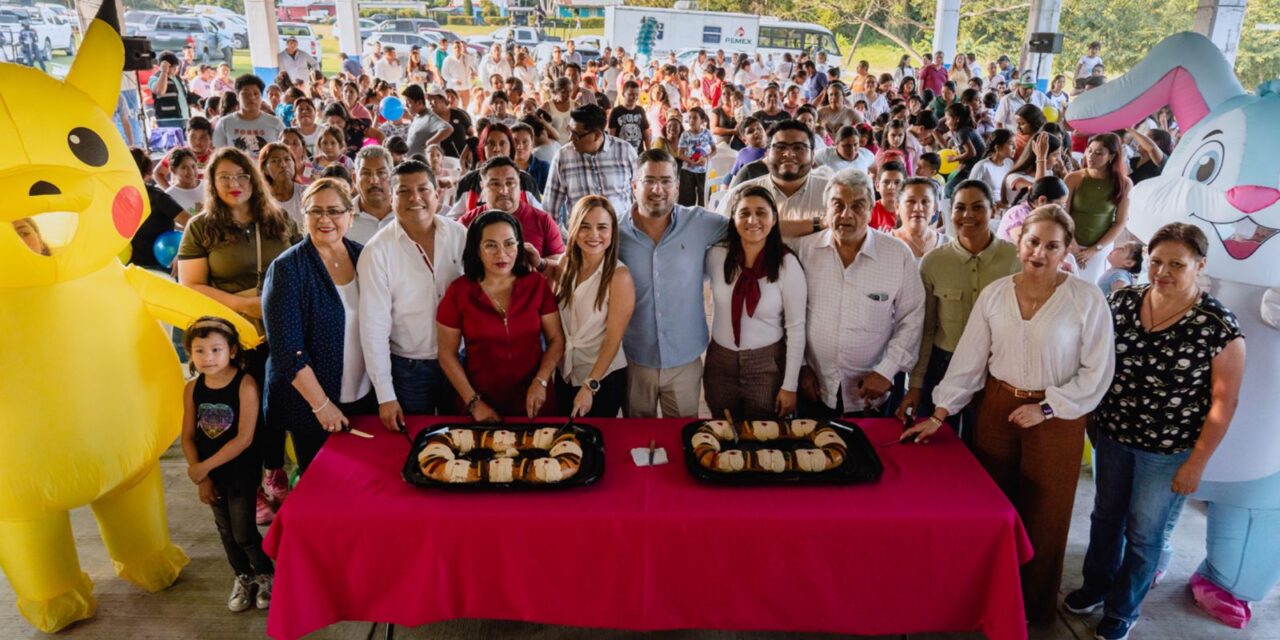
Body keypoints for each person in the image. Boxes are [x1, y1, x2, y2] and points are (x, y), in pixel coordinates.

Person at [903, 205, 1115, 625]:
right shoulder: (996, 293)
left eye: (1052, 246)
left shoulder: (1086, 299)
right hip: (997, 407)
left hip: (1057, 414)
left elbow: (1098, 371)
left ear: (1066, 250)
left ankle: (1034, 610)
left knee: (1047, 515)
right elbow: (970, 359)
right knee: (993, 510)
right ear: (1019, 243)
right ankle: (988, 602)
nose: (1040, 252)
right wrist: (940, 412)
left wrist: (1048, 407)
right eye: (1033, 242)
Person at [1062, 223, 1244, 640]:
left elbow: (1224, 403)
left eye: (1176, 264)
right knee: (1105, 516)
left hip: (1166, 451)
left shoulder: (1216, 325)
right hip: (1111, 435)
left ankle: (1123, 609)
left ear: (1200, 265)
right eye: (1157, 261)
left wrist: (1196, 463)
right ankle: (1097, 585)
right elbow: (1095, 359)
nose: (1162, 271)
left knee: (1144, 533)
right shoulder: (1123, 301)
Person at [177, 147, 302, 523]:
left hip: (279, 328)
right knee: (242, 412)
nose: (235, 184)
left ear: (255, 178)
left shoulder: (278, 220)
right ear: (212, 183)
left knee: (278, 405)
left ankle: (272, 470)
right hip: (232, 339)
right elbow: (192, 286)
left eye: (242, 175)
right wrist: (242, 304)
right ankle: (249, 485)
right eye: (225, 177)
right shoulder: (202, 227)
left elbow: (300, 267)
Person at [261, 179, 374, 472]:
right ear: (304, 216)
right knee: (324, 486)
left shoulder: (365, 257)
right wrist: (322, 405)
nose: (325, 219)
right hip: (313, 405)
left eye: (334, 211)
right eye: (315, 211)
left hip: (363, 396)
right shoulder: (287, 269)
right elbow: (288, 350)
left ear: (350, 216)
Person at [792, 168, 925, 418]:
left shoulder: (897, 255)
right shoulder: (805, 250)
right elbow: (791, 313)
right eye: (838, 205)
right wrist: (800, 367)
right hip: (814, 384)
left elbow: (912, 318)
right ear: (826, 209)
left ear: (871, 209)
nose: (846, 215)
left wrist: (887, 370)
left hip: (871, 391)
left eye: (857, 206)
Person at [898, 180, 1020, 443]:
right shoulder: (934, 262)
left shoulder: (1015, 259)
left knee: (986, 446)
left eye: (977, 207)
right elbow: (926, 328)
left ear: (993, 211)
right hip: (943, 367)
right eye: (960, 208)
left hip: (995, 371)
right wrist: (916, 383)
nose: (968, 216)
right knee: (939, 445)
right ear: (949, 212)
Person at [618, 149, 728, 418]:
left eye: (666, 181)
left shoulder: (699, 222)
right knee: (637, 440)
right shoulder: (615, 233)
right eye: (649, 181)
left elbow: (754, 227)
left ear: (677, 187)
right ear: (634, 186)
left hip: (685, 357)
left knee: (683, 436)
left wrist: (819, 224)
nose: (658, 189)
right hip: (634, 356)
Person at [358, 160, 468, 427]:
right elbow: (374, 327)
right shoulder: (377, 251)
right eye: (404, 191)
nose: (415, 198)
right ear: (391, 198)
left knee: (461, 439)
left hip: (460, 360)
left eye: (423, 189)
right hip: (409, 369)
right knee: (415, 441)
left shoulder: (459, 234)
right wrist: (385, 394)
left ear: (437, 193)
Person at [179, 317, 272, 612]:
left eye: (216, 349)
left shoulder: (245, 384)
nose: (208, 357)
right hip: (211, 473)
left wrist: (203, 468)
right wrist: (201, 475)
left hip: (241, 472)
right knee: (226, 532)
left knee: (243, 531)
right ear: (190, 354)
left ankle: (266, 574)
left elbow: (244, 438)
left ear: (232, 351)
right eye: (200, 351)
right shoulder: (192, 389)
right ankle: (243, 576)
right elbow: (188, 435)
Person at [436, 211, 565, 420]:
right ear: (476, 249)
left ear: (519, 246)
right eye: (490, 245)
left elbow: (556, 339)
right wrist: (473, 403)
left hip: (536, 400)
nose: (501, 253)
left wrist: (541, 381)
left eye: (509, 243)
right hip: (480, 403)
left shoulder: (537, 284)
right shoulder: (458, 291)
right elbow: (447, 355)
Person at [704, 186, 807, 419]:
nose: (753, 220)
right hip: (720, 363)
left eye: (761, 212)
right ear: (733, 218)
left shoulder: (787, 265)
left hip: (766, 365)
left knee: (764, 434)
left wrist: (789, 385)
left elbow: (796, 329)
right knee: (724, 429)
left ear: (774, 219)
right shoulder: (716, 256)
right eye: (744, 213)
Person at [548, 196, 635, 418]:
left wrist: (589, 386)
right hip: (565, 372)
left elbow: (613, 341)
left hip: (601, 378)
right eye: (585, 226)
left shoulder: (619, 276)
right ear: (574, 228)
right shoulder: (565, 264)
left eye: (602, 227)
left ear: (613, 232)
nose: (594, 235)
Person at [721, 121, 830, 236]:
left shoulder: (832, 195)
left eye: (798, 148)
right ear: (767, 155)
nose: (789, 154)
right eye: (780, 147)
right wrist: (819, 223)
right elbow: (721, 236)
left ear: (813, 156)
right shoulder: (740, 195)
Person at [543, 104, 637, 226]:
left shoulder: (625, 151)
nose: (571, 138)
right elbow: (550, 210)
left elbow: (639, 196)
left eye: (576, 135)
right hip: (581, 238)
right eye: (569, 131)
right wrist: (564, 239)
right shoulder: (563, 157)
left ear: (597, 135)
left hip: (623, 236)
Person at [460, 156, 564, 261]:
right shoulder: (466, 223)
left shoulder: (543, 221)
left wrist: (539, 263)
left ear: (520, 185)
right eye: (495, 184)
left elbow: (560, 265)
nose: (504, 191)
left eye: (510, 183)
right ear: (482, 187)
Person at [1067, 132, 1132, 284]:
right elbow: (1063, 216)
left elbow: (1120, 222)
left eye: (1098, 153)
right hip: (1070, 242)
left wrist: (1094, 250)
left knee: (1089, 289)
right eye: (1089, 150)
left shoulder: (1124, 183)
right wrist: (1074, 246)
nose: (1090, 156)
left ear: (1111, 156)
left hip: (1099, 248)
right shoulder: (1074, 178)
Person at [129, 149, 189, 269]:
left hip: (161, 266)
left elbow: (192, 224)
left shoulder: (156, 197)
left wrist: (183, 253)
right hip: (132, 267)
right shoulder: (119, 198)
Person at [213, 75, 285, 157]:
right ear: (237, 97)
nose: (251, 97)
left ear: (262, 97)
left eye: (256, 93)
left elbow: (285, 152)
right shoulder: (224, 123)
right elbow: (218, 154)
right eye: (246, 94)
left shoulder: (275, 123)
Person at [997, 175, 1070, 243]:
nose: (1060, 209)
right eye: (1059, 205)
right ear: (1042, 200)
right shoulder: (1018, 213)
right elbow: (1028, 245)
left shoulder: (1040, 214)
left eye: (1063, 205)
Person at [891, 177, 949, 260]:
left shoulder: (947, 244)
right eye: (911, 201)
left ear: (934, 208)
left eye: (925, 201)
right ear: (897, 207)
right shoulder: (884, 244)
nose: (918, 208)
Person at [347, 146, 396, 244]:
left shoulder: (408, 214)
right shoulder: (342, 217)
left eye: (381, 173)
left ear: (393, 177)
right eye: (366, 173)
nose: (374, 181)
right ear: (354, 178)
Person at [676, 107, 716, 207]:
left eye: (694, 118)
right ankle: (687, 219)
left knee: (704, 198)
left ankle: (702, 218)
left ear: (702, 120)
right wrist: (692, 162)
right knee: (686, 200)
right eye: (689, 118)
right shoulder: (685, 135)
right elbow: (680, 154)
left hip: (703, 170)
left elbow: (714, 150)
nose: (691, 121)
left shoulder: (707, 133)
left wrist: (706, 158)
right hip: (687, 171)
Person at [404, 84, 454, 158]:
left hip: (422, 164)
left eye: (409, 102)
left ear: (419, 103)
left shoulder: (430, 117)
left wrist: (429, 143)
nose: (407, 105)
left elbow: (448, 129)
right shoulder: (417, 116)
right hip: (411, 161)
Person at [258, 143, 303, 225]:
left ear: (294, 164)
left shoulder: (306, 193)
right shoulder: (260, 199)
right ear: (265, 169)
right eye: (275, 161)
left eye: (287, 159)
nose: (283, 165)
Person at [969, 129, 1017, 206]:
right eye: (1011, 143)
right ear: (997, 147)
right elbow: (970, 193)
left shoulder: (1009, 163)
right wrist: (993, 205)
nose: (1015, 147)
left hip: (1005, 207)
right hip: (987, 209)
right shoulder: (982, 166)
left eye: (1015, 143)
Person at [149, 52, 192, 130]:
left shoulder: (177, 78)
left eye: (175, 66)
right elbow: (160, 91)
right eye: (172, 67)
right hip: (167, 122)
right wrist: (164, 71)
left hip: (184, 119)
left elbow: (183, 96)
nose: (175, 69)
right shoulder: (154, 78)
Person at [608, 80, 649, 152]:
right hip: (621, 153)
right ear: (623, 94)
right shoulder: (616, 111)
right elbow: (611, 135)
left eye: (636, 94)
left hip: (638, 153)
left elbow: (646, 133)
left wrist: (649, 150)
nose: (634, 97)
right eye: (631, 94)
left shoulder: (640, 110)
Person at [165, 148, 206, 217]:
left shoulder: (209, 185)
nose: (191, 172)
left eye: (193, 166)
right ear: (173, 170)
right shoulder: (169, 196)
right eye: (184, 167)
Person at [868, 161, 906, 233]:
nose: (891, 187)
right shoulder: (869, 211)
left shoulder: (909, 212)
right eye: (886, 182)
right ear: (877, 186)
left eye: (897, 182)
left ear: (905, 187)